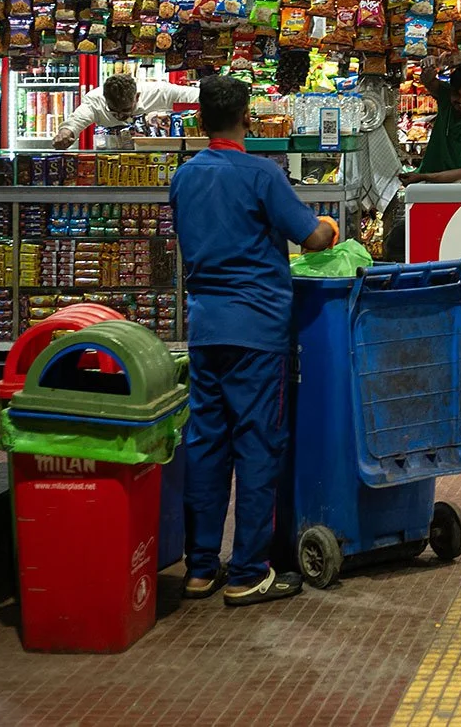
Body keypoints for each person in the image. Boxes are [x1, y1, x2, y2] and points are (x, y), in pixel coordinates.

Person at [172, 74, 336, 606]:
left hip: (204, 329)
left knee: (205, 444)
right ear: (247, 119)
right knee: (258, 446)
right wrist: (330, 227)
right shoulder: (262, 174)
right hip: (257, 331)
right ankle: (247, 572)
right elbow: (310, 236)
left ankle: (199, 570)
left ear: (200, 121)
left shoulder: (185, 177)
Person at [51, 72, 200, 150]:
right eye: (114, 112)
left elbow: (196, 96)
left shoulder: (159, 92)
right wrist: (65, 134)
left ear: (137, 96)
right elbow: (77, 120)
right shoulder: (95, 100)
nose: (121, 117)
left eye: (126, 110)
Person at [403, 56, 461, 185]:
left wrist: (424, 177)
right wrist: (432, 65)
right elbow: (428, 81)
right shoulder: (446, 98)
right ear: (450, 91)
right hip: (427, 182)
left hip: (454, 191)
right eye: (456, 93)